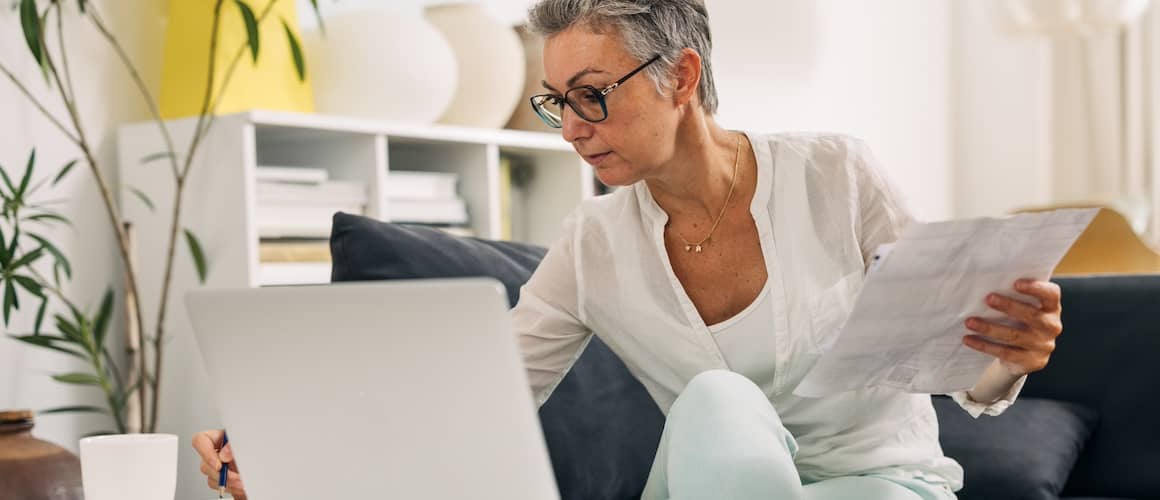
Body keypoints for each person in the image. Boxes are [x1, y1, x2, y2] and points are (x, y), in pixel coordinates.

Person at [194, 1, 1066, 498]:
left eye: (591, 96)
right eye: (554, 103)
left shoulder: (834, 174)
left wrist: (1006, 356)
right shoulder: (593, 245)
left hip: (876, 487)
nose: (571, 129)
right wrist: (287, 452)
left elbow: (958, 361)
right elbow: (474, 398)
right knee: (718, 404)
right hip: (716, 486)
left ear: (680, 78)